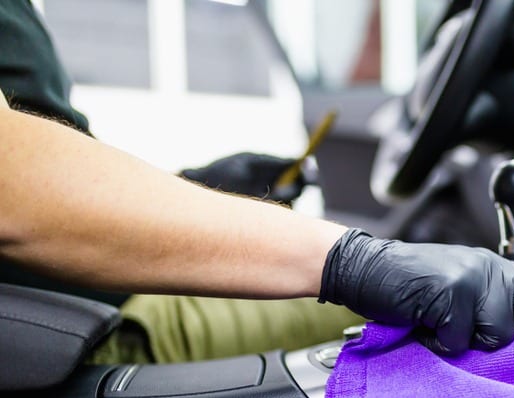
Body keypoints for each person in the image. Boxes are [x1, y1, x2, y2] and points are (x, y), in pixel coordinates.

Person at [0, 89, 514, 358]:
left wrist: (201, 177)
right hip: (74, 320)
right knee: (417, 308)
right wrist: (351, 262)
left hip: (85, 292)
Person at [0, 0, 365, 363]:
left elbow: (44, 176)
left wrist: (200, 182)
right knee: (365, 307)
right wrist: (342, 259)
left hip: (102, 296)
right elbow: (13, 192)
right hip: (84, 327)